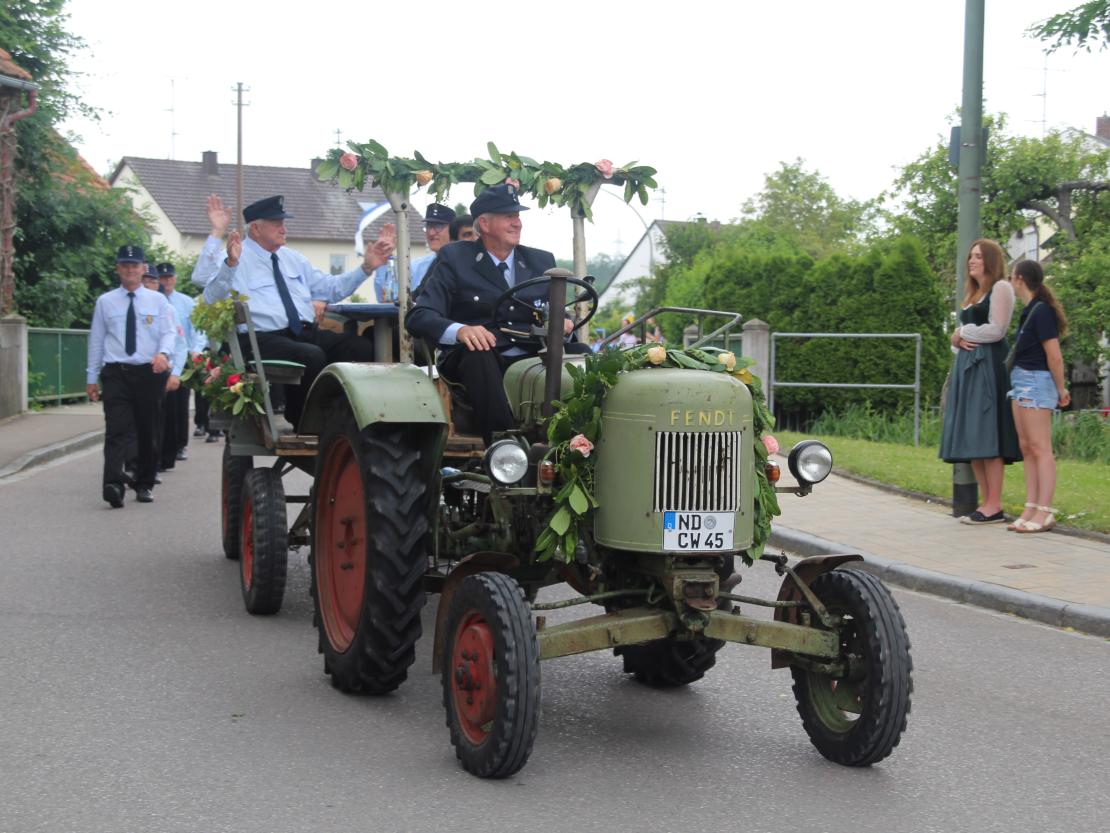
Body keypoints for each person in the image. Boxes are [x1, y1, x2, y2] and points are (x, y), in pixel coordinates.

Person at [405, 182, 591, 443]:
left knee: (584, 354)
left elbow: (553, 312)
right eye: (508, 216)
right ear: (484, 223)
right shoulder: (456, 258)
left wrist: (565, 324)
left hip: (533, 353)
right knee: (479, 354)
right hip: (480, 358)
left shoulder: (540, 261)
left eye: (517, 216)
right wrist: (461, 330)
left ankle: (584, 444)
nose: (517, 223)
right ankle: (505, 449)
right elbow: (419, 316)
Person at [194, 195, 395, 429]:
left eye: (283, 222)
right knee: (311, 355)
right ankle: (306, 424)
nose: (284, 228)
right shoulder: (235, 257)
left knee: (360, 347)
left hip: (302, 333)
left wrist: (366, 268)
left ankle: (351, 420)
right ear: (256, 229)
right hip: (260, 339)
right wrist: (229, 264)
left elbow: (331, 288)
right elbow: (209, 296)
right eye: (277, 223)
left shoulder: (293, 258)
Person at [87, 245, 178, 506]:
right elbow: (97, 340)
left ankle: (144, 482)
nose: (130, 270)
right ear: (118, 268)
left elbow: (169, 332)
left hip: (149, 373)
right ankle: (113, 484)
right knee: (116, 429)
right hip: (116, 372)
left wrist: (163, 354)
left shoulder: (157, 301)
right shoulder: (105, 301)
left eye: (135, 265)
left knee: (148, 429)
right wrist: (91, 377)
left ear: (142, 268)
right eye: (125, 265)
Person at [939, 238, 1022, 524]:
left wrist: (962, 333)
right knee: (973, 436)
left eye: (978, 256)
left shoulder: (1001, 288)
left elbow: (997, 330)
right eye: (970, 256)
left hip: (987, 369)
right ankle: (986, 503)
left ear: (990, 260)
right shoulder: (974, 293)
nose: (971, 261)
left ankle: (994, 504)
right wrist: (957, 339)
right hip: (968, 370)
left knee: (988, 434)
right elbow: (962, 339)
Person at [1006, 260, 1070, 533]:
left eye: (1011, 276)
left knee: (1040, 447)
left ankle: (1045, 511)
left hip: (1036, 381)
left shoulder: (1042, 311)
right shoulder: (1029, 311)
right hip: (1020, 381)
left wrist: (1061, 389)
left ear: (1020, 278)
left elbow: (1054, 356)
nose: (1010, 281)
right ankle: (1031, 506)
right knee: (1027, 446)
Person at [156, 261, 201, 467]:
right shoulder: (153, 301)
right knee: (162, 406)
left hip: (182, 356)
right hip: (160, 359)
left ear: (174, 279)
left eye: (169, 278)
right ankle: (161, 447)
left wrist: (196, 351)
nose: (165, 282)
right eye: (162, 278)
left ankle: (180, 444)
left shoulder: (185, 302)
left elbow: (197, 330)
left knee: (180, 405)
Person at [400, 203, 456, 297]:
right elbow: (393, 297)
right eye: (429, 226)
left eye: (438, 226)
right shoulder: (415, 267)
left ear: (453, 230)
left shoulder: (462, 266)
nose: (431, 233)